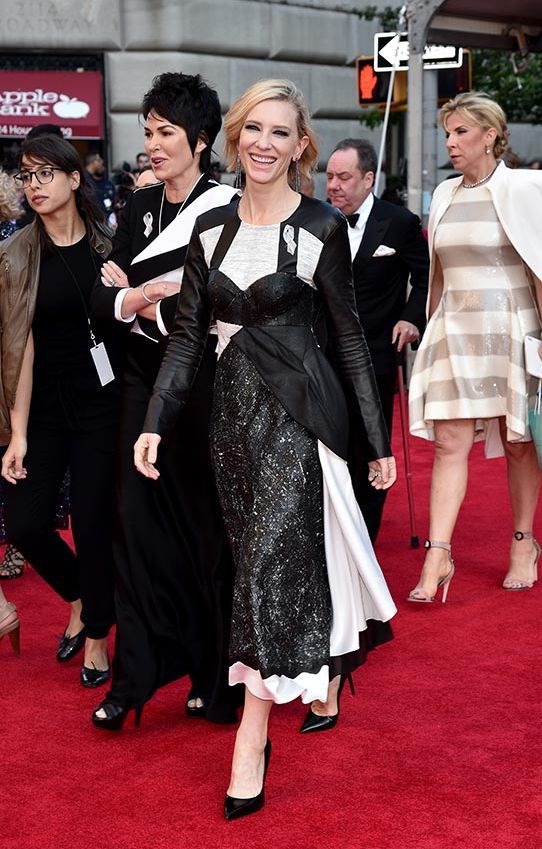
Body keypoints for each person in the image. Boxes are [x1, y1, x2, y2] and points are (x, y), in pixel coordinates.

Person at [135, 78, 397, 819]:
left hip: (299, 417)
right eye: (254, 128)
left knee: (262, 566)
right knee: (256, 561)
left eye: (281, 132)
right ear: (236, 136)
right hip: (228, 425)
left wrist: (375, 438)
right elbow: (186, 337)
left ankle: (250, 737)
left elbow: (348, 336)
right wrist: (156, 418)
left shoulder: (319, 226)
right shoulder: (211, 228)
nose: (264, 143)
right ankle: (326, 659)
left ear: (300, 147)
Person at [90, 72, 239, 732]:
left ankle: (213, 674)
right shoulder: (137, 208)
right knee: (132, 525)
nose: (152, 144)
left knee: (206, 533)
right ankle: (133, 679)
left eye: (166, 132)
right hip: (138, 378)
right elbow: (104, 300)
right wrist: (147, 295)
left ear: (200, 141)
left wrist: (138, 292)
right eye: (147, 131)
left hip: (205, 385)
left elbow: (216, 303)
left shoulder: (228, 209)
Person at [408, 91, 542, 601]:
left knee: (518, 441)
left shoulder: (523, 189)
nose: (451, 143)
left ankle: (523, 541)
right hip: (455, 329)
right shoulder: (444, 194)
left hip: (511, 326)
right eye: (448, 133)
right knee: (448, 443)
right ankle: (438, 553)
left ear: (490, 135)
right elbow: (438, 273)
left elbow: (540, 263)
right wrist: (430, 329)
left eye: (461, 132)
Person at [0, 134, 124, 682]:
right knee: (24, 523)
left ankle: (97, 632)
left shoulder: (111, 245)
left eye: (45, 174)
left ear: (75, 179)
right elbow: (18, 346)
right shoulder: (16, 254)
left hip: (104, 407)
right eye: (26, 176)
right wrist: (18, 434)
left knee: (96, 526)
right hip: (45, 408)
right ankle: (80, 595)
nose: (34, 186)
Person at [326, 139, 429, 542]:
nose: (333, 185)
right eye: (330, 176)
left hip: (376, 354)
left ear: (368, 179)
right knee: (332, 441)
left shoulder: (399, 222)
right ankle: (332, 529)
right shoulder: (318, 219)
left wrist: (410, 318)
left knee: (372, 443)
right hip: (323, 354)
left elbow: (424, 279)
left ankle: (363, 536)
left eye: (344, 177)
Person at [85, 152, 117, 227]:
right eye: (99, 160)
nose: (102, 162)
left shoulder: (103, 182)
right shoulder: (84, 181)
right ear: (92, 162)